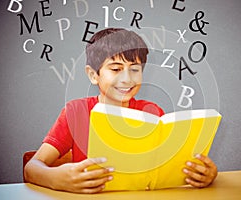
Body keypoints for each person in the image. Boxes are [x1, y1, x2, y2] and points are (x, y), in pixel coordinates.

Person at [24, 28, 218, 194]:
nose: (127, 79)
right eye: (116, 69)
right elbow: (31, 168)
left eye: (135, 69)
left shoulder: (153, 113)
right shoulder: (76, 112)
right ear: (93, 75)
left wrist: (202, 174)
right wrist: (55, 179)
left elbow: (166, 170)